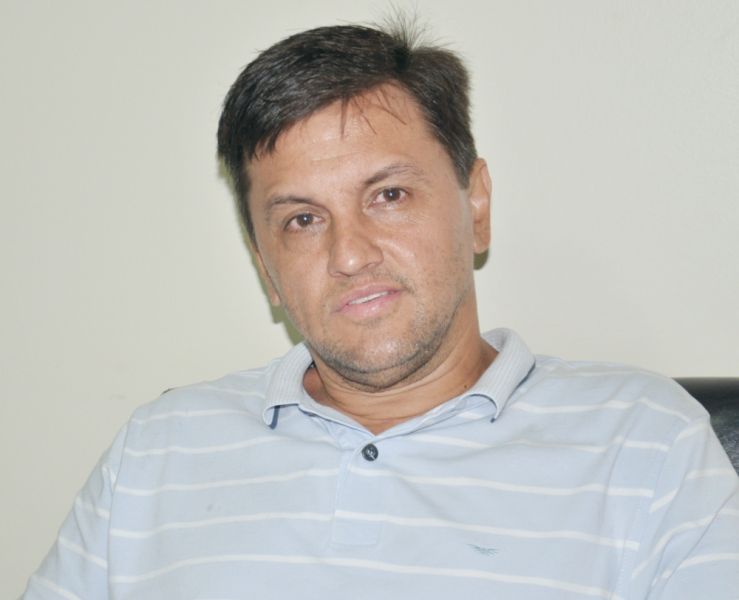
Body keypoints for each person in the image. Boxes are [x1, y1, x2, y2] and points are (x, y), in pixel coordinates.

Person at [23, 20, 738, 600]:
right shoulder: (158, 450)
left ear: (475, 206)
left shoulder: (645, 441)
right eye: (302, 220)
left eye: (388, 195)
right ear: (266, 267)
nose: (350, 254)